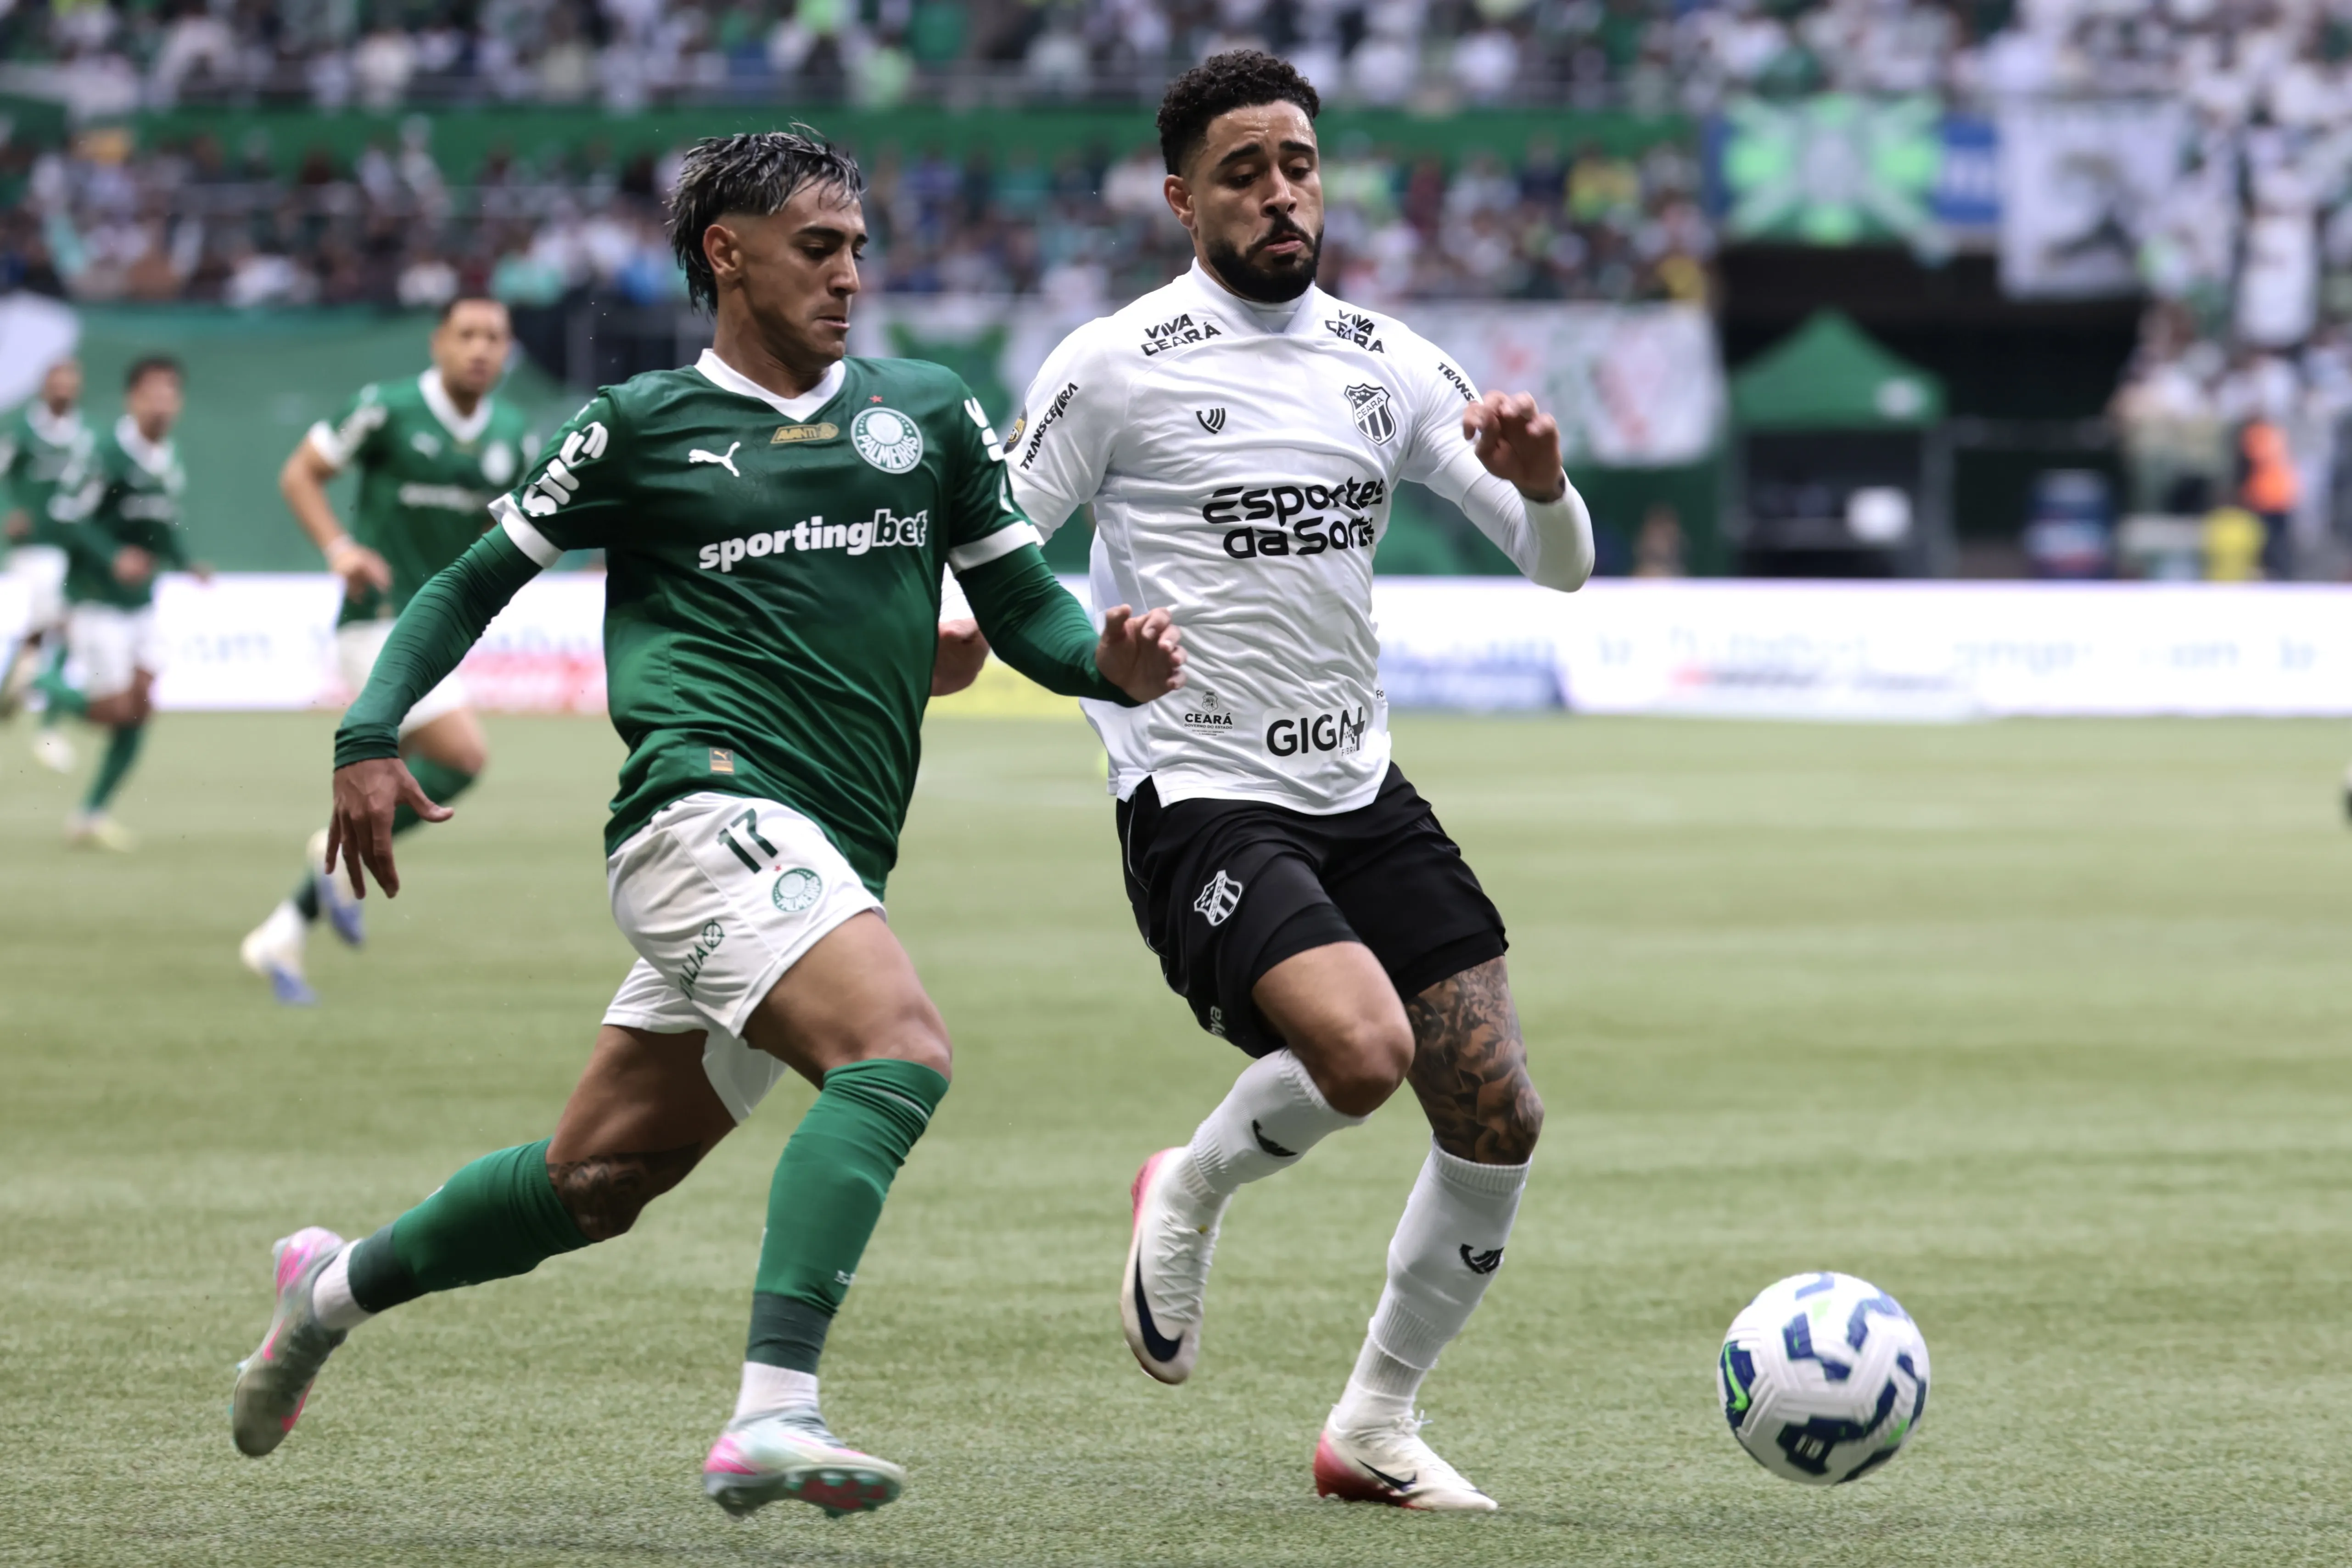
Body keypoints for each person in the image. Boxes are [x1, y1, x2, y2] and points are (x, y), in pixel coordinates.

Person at [227, 129, 1186, 1522]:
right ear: (724, 254)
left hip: (822, 853)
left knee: (593, 1181)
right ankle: (772, 1410)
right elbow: (462, 588)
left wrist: (1107, 661)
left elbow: (1024, 608)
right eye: (818, 246)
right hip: (701, 810)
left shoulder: (926, 413)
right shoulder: (637, 425)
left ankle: (324, 1290)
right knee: (897, 1050)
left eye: (859, 246)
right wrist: (367, 733)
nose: (850, 273)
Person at [1004, 52, 1594, 1512]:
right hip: (1196, 789)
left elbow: (1560, 568)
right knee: (1365, 1050)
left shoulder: (1386, 362)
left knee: (1498, 1110)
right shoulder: (1110, 364)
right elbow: (988, 573)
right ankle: (1189, 1184)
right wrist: (1091, 658)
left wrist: (1541, 480)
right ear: (1180, 198)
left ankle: (1373, 1426)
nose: (1280, 192)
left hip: (1359, 781)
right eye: (1244, 170)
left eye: (1299, 164)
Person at [236, 298, 538, 1005]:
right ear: (438, 342)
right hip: (374, 621)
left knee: (433, 768)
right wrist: (340, 548)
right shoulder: (386, 408)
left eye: (494, 337)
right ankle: (329, 857)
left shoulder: (515, 435)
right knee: (462, 756)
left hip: (436, 633)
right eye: (466, 334)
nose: (479, 348)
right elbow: (299, 473)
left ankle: (282, 931)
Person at [43, 356, 207, 850]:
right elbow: (68, 515)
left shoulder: (168, 457)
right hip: (97, 600)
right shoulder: (106, 452)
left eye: (170, 394)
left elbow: (160, 524)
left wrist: (186, 560)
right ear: (132, 399)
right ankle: (39, 682)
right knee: (114, 708)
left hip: (142, 601)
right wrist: (112, 555)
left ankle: (91, 815)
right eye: (152, 394)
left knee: (141, 705)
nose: (162, 404)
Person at [0, 357, 92, 773]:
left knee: (45, 639)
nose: (65, 389)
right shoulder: (22, 431)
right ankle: (48, 730)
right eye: (58, 382)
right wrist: (9, 511)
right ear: (44, 387)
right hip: (35, 551)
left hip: (70, 550)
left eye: (71, 382)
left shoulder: (83, 436)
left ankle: (22, 709)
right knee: (58, 631)